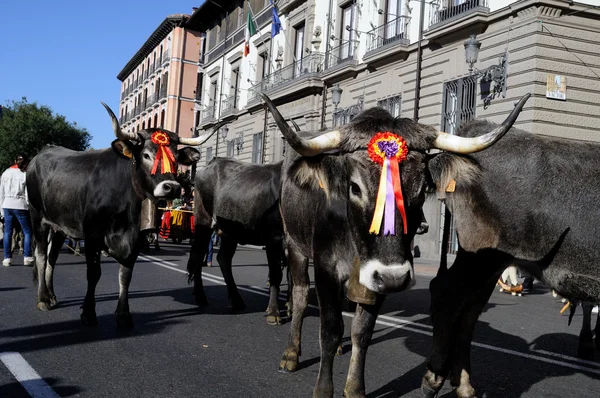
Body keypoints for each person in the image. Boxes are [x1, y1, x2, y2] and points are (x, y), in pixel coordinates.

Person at [0, 154, 33, 266]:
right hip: (20, 205)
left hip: (7, 205)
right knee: (27, 231)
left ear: (15, 161)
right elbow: (27, 194)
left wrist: (1, 210)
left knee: (7, 232)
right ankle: (27, 257)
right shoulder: (25, 174)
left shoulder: (5, 173)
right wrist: (29, 206)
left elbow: (1, 193)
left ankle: (7, 258)